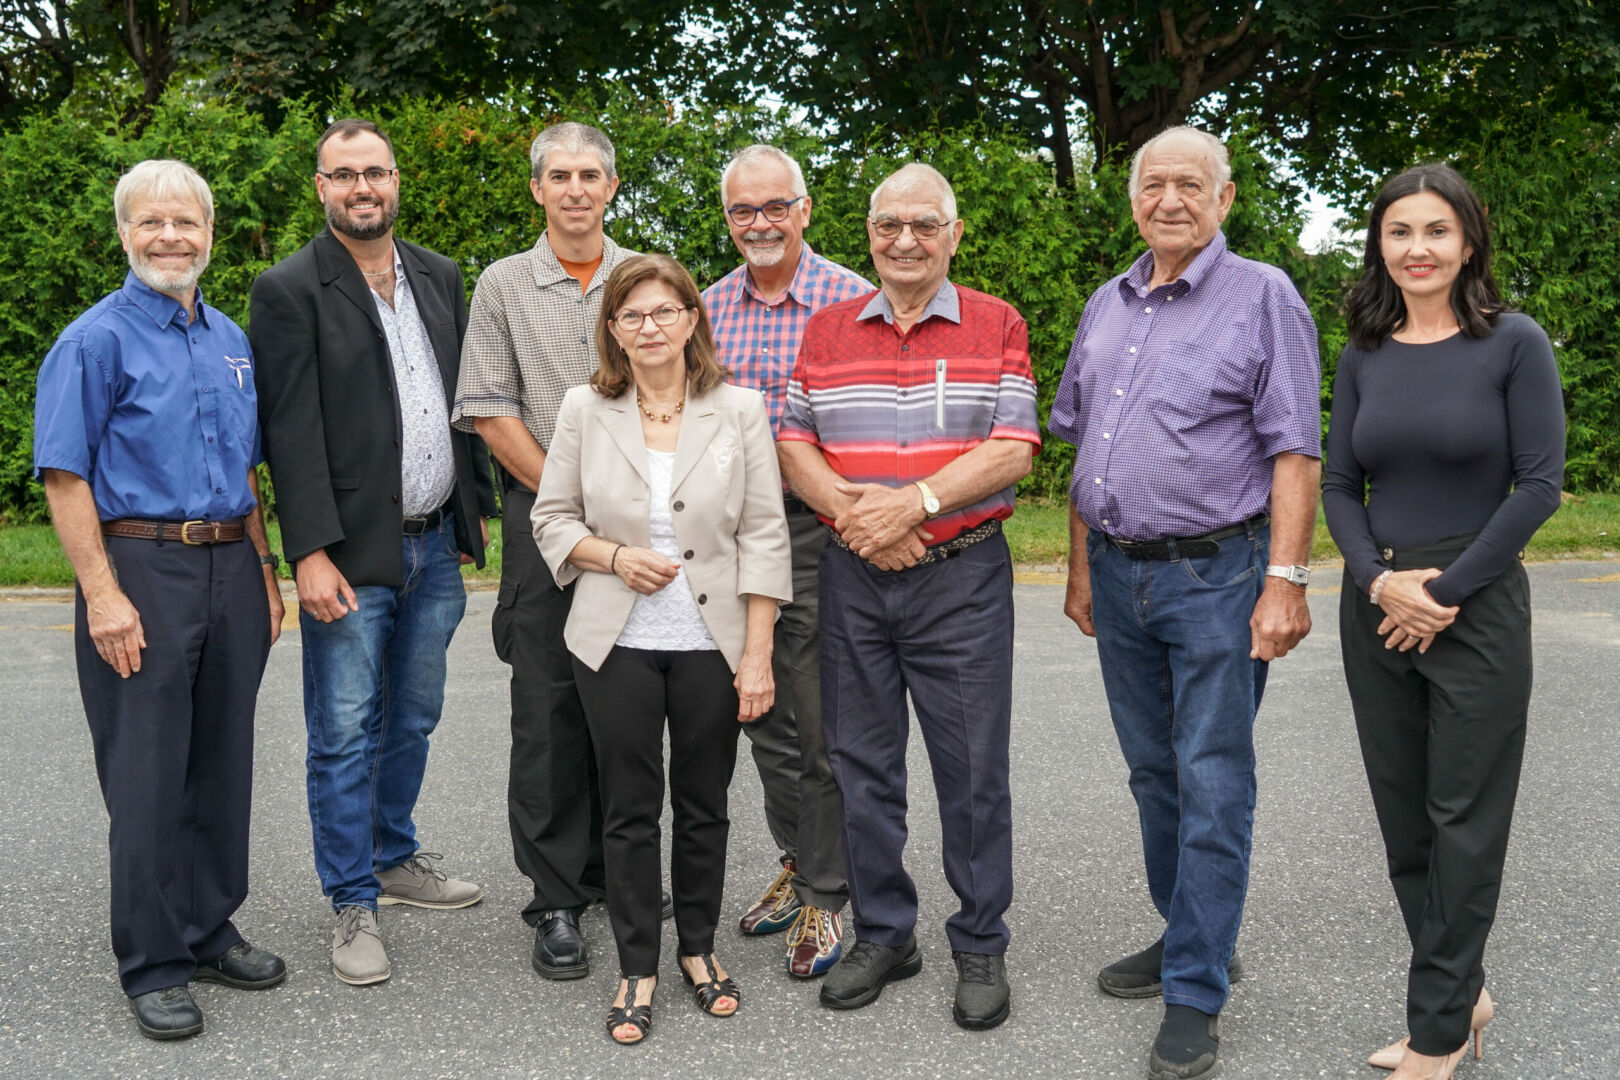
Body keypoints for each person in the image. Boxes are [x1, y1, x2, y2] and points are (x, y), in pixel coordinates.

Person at [1049, 125, 1322, 1080]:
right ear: (1133, 199)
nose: (1169, 199)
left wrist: (1284, 582)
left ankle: (1196, 992)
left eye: (1189, 185)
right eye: (1152, 184)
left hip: (1219, 575)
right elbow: (1081, 446)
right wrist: (1082, 572)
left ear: (1225, 198)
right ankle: (1191, 935)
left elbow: (1295, 449)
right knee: (1153, 775)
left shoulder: (1264, 297)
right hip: (1121, 575)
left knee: (1212, 779)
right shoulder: (1108, 301)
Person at [778, 163, 1040, 1031]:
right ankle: (886, 934)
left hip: (959, 576)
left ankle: (979, 942)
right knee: (861, 764)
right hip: (852, 572)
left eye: (925, 225)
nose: (905, 240)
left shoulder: (997, 322)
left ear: (954, 235)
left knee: (971, 773)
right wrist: (855, 517)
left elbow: (1012, 447)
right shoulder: (824, 331)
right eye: (889, 224)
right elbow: (792, 439)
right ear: (869, 234)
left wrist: (915, 504)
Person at [33, 159, 286, 1039]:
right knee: (146, 774)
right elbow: (64, 477)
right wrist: (101, 596)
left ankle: (208, 927)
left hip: (230, 567)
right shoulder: (92, 341)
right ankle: (152, 961)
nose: (171, 237)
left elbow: (245, 466)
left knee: (221, 763)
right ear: (124, 233)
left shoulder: (227, 337)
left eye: (188, 223)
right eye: (152, 223)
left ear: (210, 235)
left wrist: (264, 569)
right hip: (138, 568)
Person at [1323, 164, 1564, 1080]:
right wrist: (1379, 583)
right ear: (1379, 246)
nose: (1417, 249)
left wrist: (1445, 592)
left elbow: (1538, 485)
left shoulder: (1514, 344)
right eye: (1399, 233)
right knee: (1407, 823)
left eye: (1436, 231)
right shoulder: (1364, 351)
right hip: (1378, 602)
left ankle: (1437, 1034)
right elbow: (1343, 483)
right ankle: (1462, 988)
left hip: (1478, 599)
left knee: (1464, 816)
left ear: (1468, 241)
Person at [250, 118, 497, 987]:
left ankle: (393, 856)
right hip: (350, 555)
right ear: (320, 188)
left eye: (376, 173)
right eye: (343, 174)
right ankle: (352, 896)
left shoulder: (439, 274)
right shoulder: (288, 290)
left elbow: (459, 405)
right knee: (344, 729)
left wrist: (473, 523)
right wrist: (308, 552)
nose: (363, 188)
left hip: (434, 547)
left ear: (397, 181)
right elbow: (289, 430)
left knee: (415, 716)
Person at [532, 253, 791, 1043]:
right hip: (616, 640)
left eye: (664, 312)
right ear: (613, 329)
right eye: (632, 315)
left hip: (712, 641)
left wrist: (758, 654)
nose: (649, 327)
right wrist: (612, 557)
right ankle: (638, 963)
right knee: (630, 808)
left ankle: (700, 950)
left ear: (691, 319)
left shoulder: (738, 410)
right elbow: (551, 519)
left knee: (705, 804)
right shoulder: (585, 408)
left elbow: (764, 534)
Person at [452, 121, 662, 982]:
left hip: (645, 520)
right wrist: (572, 512)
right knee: (545, 713)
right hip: (543, 521)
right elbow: (493, 411)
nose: (576, 189)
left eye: (591, 175)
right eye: (559, 176)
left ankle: (622, 876)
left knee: (631, 704)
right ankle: (557, 901)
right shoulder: (504, 284)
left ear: (612, 187)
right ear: (538, 189)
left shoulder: (644, 278)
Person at [702, 144, 872, 977]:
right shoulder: (703, 309)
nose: (760, 223)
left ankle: (831, 896)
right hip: (727, 539)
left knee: (815, 720)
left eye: (775, 207)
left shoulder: (854, 300)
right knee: (758, 711)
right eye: (743, 211)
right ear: (728, 218)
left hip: (817, 532)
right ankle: (802, 863)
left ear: (805, 209)